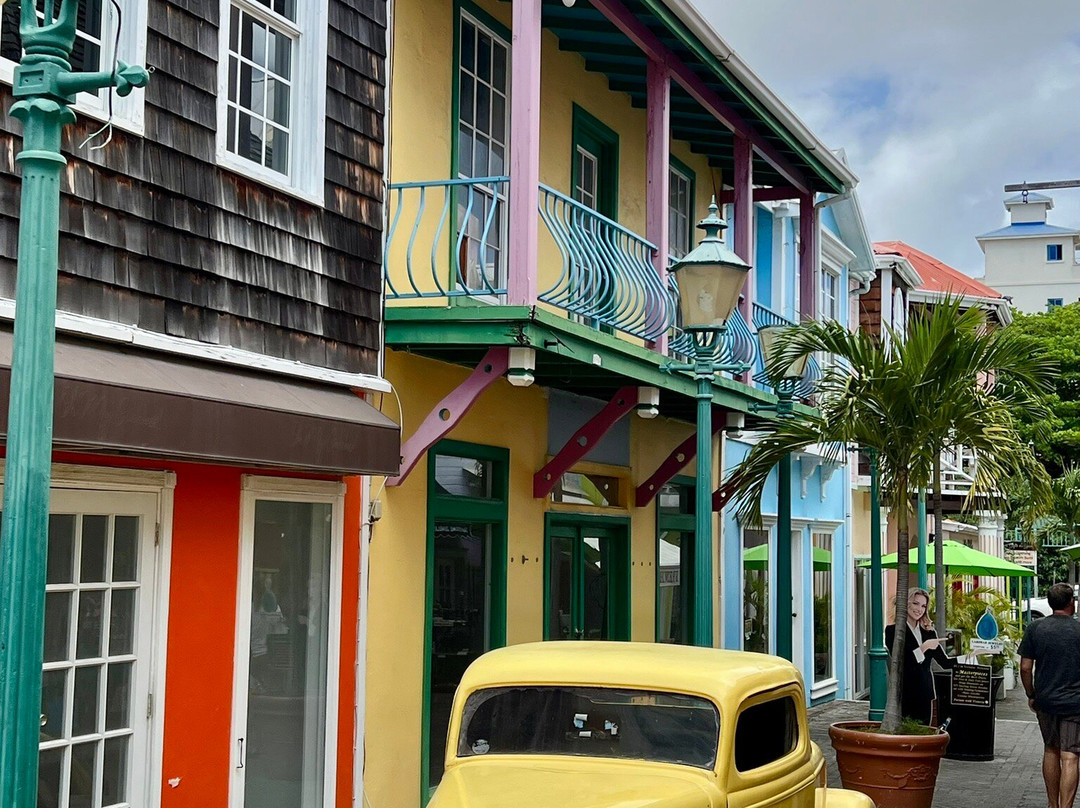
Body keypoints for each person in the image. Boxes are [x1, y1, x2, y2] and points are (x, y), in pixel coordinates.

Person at [1019, 582, 1080, 808]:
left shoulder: (1035, 628)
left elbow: (1025, 667)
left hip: (1045, 699)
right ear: (1071, 603)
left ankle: (1052, 804)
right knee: (1071, 756)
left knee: (1050, 751)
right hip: (1075, 703)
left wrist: (1031, 693)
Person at [884, 587, 954, 725]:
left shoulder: (928, 632)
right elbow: (904, 662)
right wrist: (924, 647)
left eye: (923, 606)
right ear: (906, 603)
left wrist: (970, 657)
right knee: (907, 733)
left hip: (926, 691)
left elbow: (945, 662)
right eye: (915, 603)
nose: (919, 609)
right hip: (905, 692)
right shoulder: (893, 631)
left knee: (924, 731)